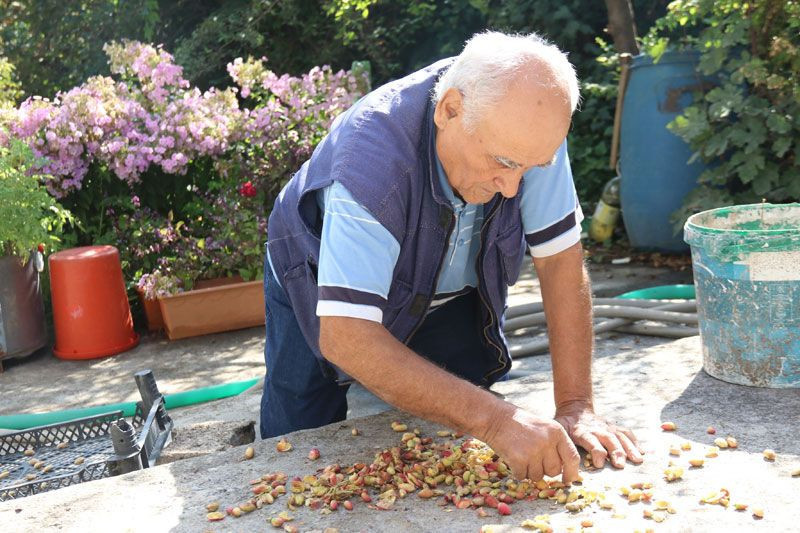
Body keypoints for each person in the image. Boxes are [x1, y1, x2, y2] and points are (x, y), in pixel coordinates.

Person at [260, 30, 643, 482]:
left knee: (452, 429)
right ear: (450, 109)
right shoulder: (370, 166)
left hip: (449, 284)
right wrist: (498, 419)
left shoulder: (526, 130)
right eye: (503, 162)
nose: (513, 188)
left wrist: (576, 405)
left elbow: (560, 261)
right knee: (297, 439)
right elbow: (347, 337)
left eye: (530, 167)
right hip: (313, 268)